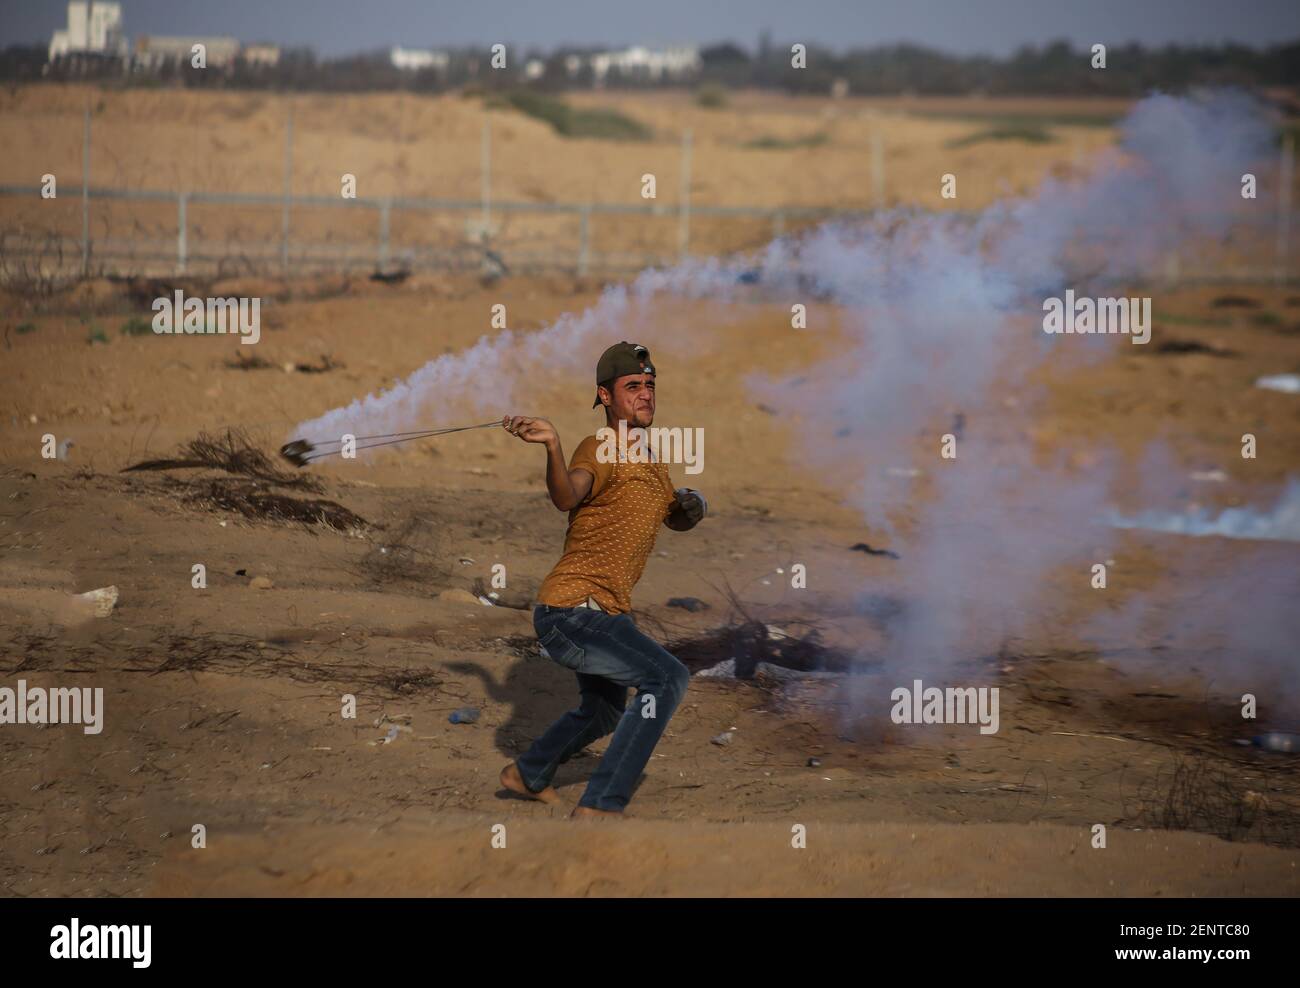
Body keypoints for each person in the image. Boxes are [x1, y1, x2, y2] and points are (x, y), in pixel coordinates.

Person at [498, 342, 707, 819]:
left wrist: (695, 506)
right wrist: (552, 444)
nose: (645, 394)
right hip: (572, 610)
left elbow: (673, 513)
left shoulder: (651, 460)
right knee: (667, 677)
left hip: (607, 612)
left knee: (604, 711)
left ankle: (527, 773)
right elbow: (567, 495)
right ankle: (601, 806)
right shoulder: (601, 448)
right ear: (605, 397)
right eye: (632, 386)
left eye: (650, 385)